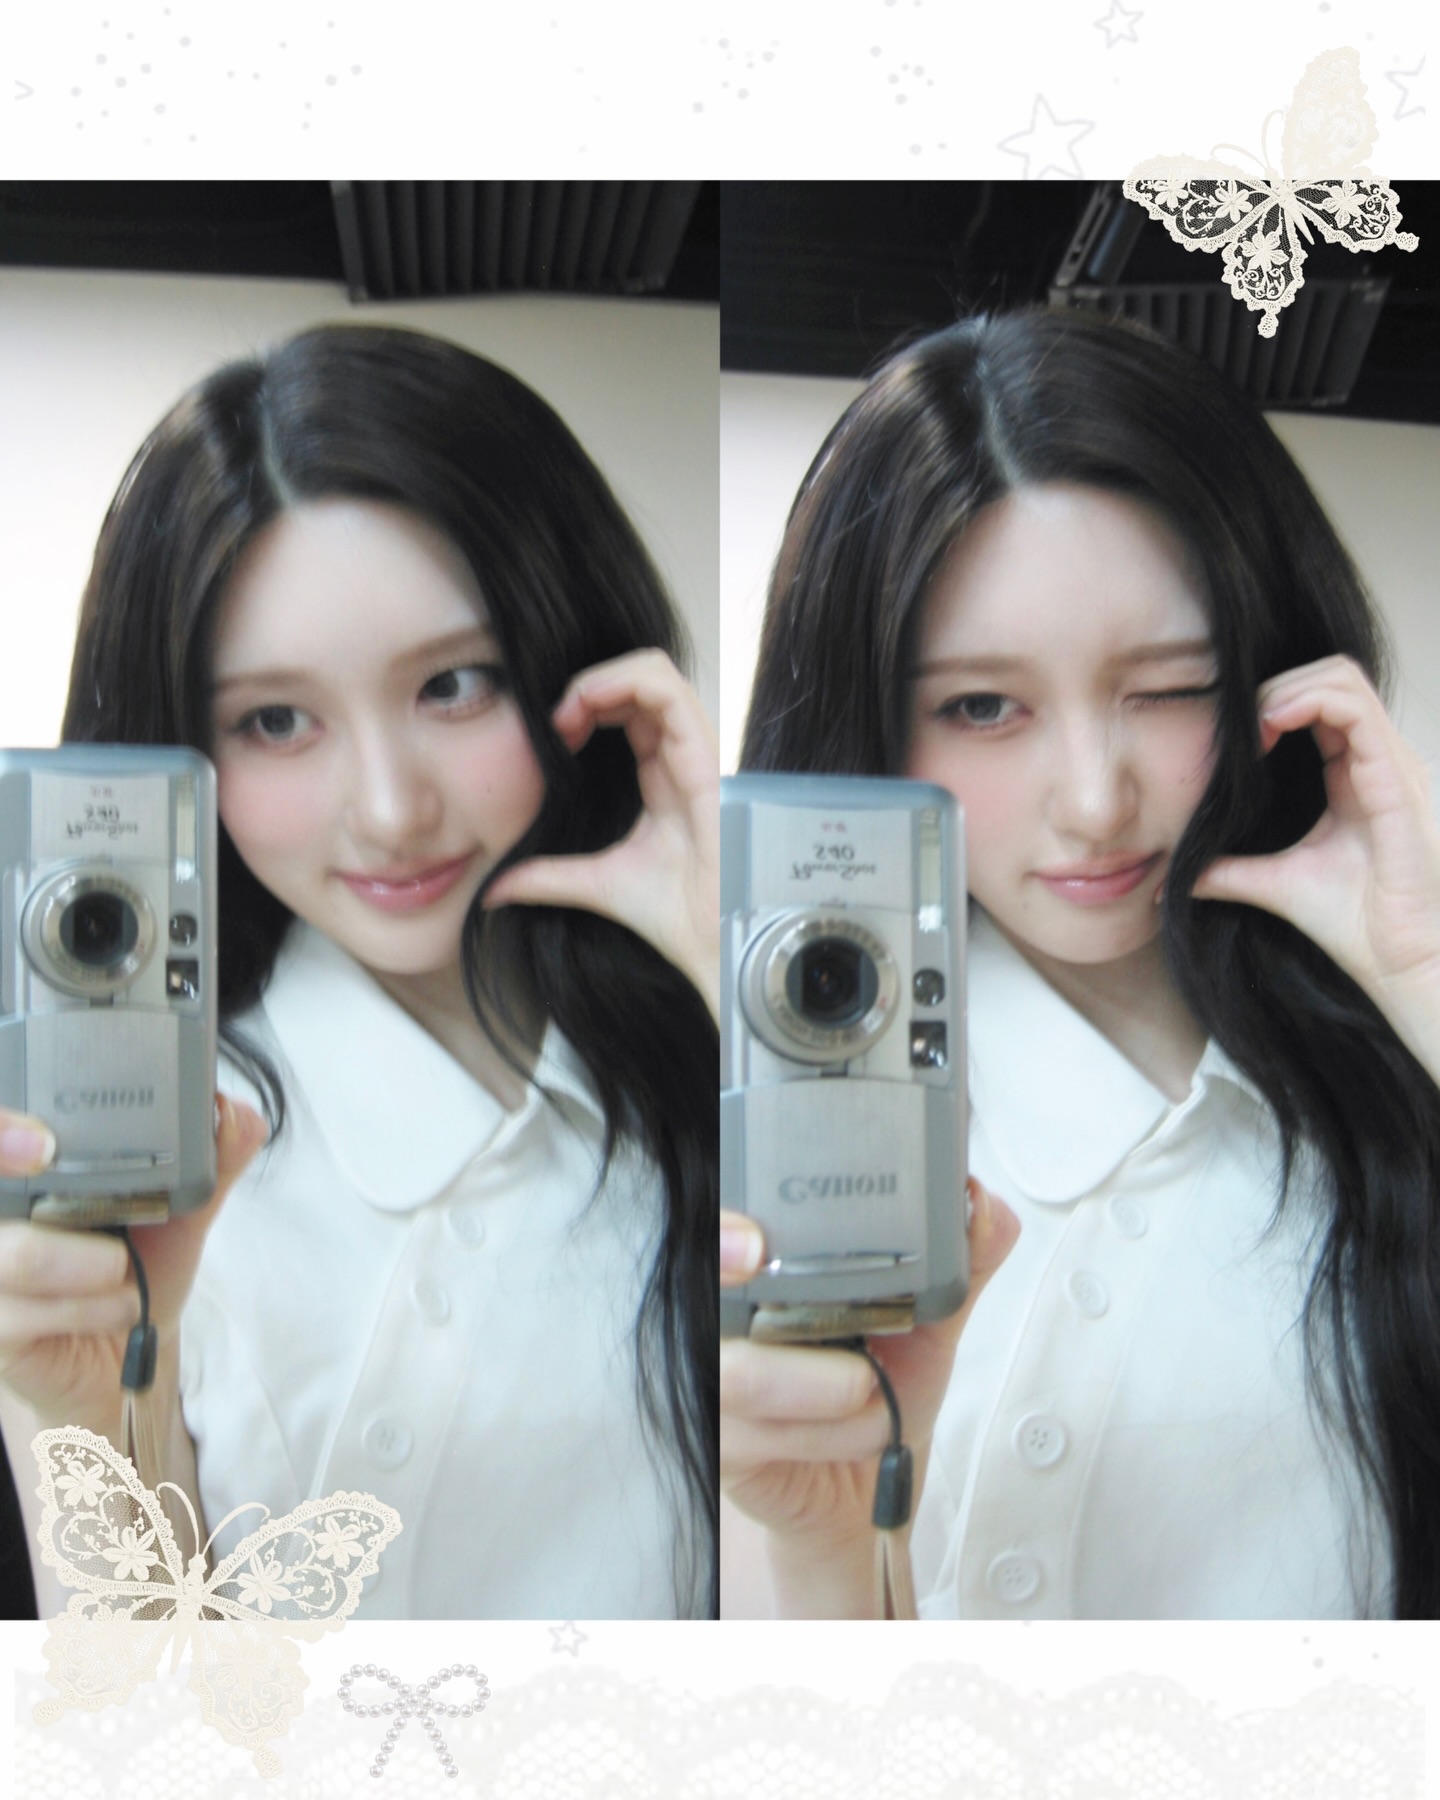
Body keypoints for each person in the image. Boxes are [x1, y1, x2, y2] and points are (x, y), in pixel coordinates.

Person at [721, 307, 1440, 1620]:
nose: (1097, 803)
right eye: (982, 707)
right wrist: (827, 1554)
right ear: (873, 721)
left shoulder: (1395, 1065)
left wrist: (1424, 971)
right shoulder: (759, 1137)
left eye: (1167, 688)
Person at [0, 323, 718, 1619]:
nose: (390, 812)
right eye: (276, 721)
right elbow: (138, 1699)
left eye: (455, 684)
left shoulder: (706, 1067)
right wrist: (88, 1416)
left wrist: (730, 953)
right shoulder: (136, 1155)